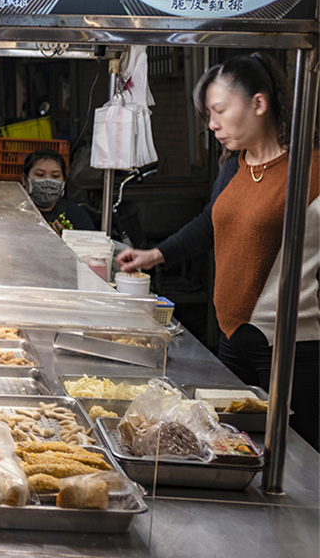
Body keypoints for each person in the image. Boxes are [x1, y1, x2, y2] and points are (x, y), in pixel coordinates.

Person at [117, 52, 319, 450]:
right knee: (225, 446)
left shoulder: (310, 171)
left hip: (293, 349)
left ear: (259, 104)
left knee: (297, 460)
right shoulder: (233, 166)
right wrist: (154, 255)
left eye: (220, 110)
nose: (212, 124)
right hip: (231, 339)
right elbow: (210, 224)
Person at [20, 148, 95, 233]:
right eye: (40, 174)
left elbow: (90, 243)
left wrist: (70, 239)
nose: (48, 180)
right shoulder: (14, 213)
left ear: (64, 181)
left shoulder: (77, 215)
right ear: (24, 179)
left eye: (55, 176)